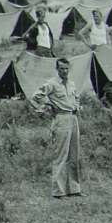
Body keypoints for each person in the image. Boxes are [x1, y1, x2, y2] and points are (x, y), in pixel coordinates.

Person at [30, 57, 82, 199]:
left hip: (73, 118)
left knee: (74, 155)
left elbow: (76, 97)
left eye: (66, 68)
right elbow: (35, 97)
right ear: (57, 69)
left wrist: (77, 106)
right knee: (61, 155)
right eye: (61, 69)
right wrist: (45, 108)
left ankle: (74, 189)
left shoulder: (71, 83)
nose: (64, 71)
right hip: (61, 119)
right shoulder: (51, 84)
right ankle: (59, 192)